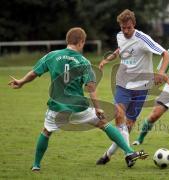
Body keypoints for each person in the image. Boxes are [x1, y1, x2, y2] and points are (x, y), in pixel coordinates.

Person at [8, 27, 149, 171]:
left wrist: (21, 82)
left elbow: (34, 72)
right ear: (81, 42)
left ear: (68, 40)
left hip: (56, 107)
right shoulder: (84, 62)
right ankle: (129, 152)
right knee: (104, 124)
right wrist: (98, 107)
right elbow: (91, 88)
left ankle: (36, 165)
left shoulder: (52, 55)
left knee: (46, 132)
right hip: (79, 108)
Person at [96, 9, 169, 165]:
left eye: (129, 27)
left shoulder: (143, 39)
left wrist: (161, 72)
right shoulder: (119, 36)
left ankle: (107, 155)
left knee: (127, 127)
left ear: (134, 24)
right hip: (123, 84)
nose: (126, 31)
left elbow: (166, 54)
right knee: (119, 117)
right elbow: (121, 49)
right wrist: (108, 59)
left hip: (141, 88)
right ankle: (130, 154)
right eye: (123, 28)